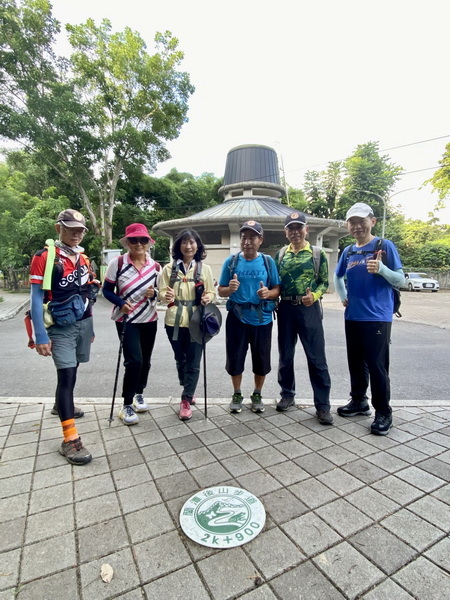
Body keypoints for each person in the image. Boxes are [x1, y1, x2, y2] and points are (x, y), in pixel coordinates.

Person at [29, 209, 100, 465]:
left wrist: (90, 328)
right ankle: (70, 440)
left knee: (74, 368)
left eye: (80, 229)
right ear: (58, 227)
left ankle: (61, 406)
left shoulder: (83, 258)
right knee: (67, 375)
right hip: (59, 327)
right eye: (71, 228)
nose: (76, 233)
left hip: (82, 323)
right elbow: (36, 297)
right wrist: (39, 335)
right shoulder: (45, 257)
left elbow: (87, 291)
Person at [334, 202, 405, 436]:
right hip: (353, 315)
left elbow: (400, 280)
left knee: (377, 366)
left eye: (361, 221)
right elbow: (337, 277)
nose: (357, 226)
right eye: (352, 222)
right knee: (355, 363)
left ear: (372, 221)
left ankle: (384, 412)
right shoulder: (348, 251)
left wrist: (383, 269)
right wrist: (344, 297)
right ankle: (359, 401)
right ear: (347, 225)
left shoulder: (384, 246)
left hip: (377, 317)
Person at [275, 212, 333, 424]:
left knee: (316, 358)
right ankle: (287, 394)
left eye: (299, 227)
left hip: (309, 309)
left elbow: (323, 282)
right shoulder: (281, 254)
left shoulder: (317, 254)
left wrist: (314, 296)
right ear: (286, 232)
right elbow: (276, 283)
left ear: (306, 229)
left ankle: (323, 405)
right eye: (291, 228)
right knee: (286, 355)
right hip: (286, 308)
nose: (295, 232)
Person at [218, 220, 280, 414]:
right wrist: (230, 289)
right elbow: (220, 290)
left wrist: (268, 294)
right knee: (235, 357)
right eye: (244, 237)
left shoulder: (268, 262)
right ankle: (237, 393)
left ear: (260, 239)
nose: (247, 241)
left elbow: (277, 288)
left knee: (261, 358)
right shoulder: (231, 261)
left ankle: (257, 393)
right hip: (237, 316)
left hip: (262, 318)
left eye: (252, 237)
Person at [103, 223, 159, 425]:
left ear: (148, 242)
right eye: (134, 240)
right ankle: (126, 404)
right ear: (127, 242)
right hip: (126, 319)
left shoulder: (155, 266)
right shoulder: (117, 264)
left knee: (145, 361)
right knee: (133, 360)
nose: (139, 244)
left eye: (143, 240)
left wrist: (156, 293)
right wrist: (120, 303)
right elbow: (107, 291)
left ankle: (139, 394)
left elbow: (161, 292)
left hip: (150, 318)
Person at [159, 229, 216, 421]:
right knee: (180, 358)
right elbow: (160, 292)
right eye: (184, 242)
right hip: (173, 320)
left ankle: (185, 398)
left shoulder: (204, 269)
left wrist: (208, 297)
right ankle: (188, 387)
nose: (189, 246)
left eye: (192, 242)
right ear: (179, 246)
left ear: (197, 245)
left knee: (194, 360)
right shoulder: (168, 269)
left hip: (197, 320)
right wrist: (164, 296)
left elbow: (211, 292)